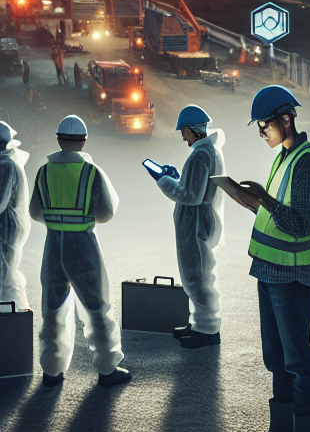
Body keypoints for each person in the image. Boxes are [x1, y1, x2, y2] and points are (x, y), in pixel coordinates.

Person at [231, 86, 310, 432]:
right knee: (277, 358)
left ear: (286, 119)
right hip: (271, 270)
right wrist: (253, 201)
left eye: (264, 124)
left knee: (299, 361)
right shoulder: (285, 158)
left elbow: (299, 224)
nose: (262, 132)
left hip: (291, 275)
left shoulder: (307, 164)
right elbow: (277, 216)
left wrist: (265, 200)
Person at [29, 114, 130, 387]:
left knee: (52, 308)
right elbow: (106, 213)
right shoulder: (91, 172)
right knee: (97, 307)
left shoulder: (44, 171)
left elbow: (34, 211)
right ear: (84, 141)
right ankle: (107, 369)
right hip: (83, 245)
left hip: (53, 245)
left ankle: (52, 371)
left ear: (58, 139)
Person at [155, 105, 227, 349]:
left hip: (195, 222)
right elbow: (196, 187)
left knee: (197, 278)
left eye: (183, 132)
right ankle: (200, 323)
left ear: (192, 130)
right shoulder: (211, 151)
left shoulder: (199, 156)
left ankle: (207, 330)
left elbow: (191, 196)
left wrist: (164, 181)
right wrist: (179, 178)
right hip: (202, 219)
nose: (183, 137)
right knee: (200, 274)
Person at [0, 121, 30, 310]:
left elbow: (1, 202)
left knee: (5, 277)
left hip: (6, 231)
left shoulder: (7, 166)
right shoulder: (7, 163)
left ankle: (10, 315)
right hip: (7, 230)